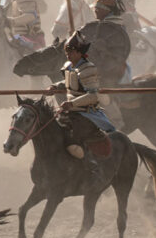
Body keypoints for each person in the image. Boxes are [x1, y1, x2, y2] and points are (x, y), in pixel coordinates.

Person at [46, 31, 114, 184]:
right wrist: (55, 87)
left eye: (70, 51)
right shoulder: (69, 66)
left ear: (79, 52)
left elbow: (93, 95)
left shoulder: (88, 69)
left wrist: (72, 103)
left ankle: (93, 167)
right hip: (71, 112)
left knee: (75, 137)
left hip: (87, 114)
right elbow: (68, 84)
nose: (67, 55)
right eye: (66, 51)